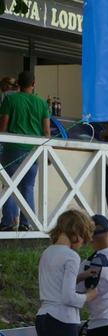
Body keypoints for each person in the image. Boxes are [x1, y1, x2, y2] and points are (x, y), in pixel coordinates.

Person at [0, 71, 50, 231]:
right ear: (34, 84)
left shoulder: (10, 99)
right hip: (33, 151)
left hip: (13, 149)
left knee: (9, 185)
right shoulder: (42, 103)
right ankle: (26, 223)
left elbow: (3, 127)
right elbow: (47, 131)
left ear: (18, 85)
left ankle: (8, 222)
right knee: (28, 187)